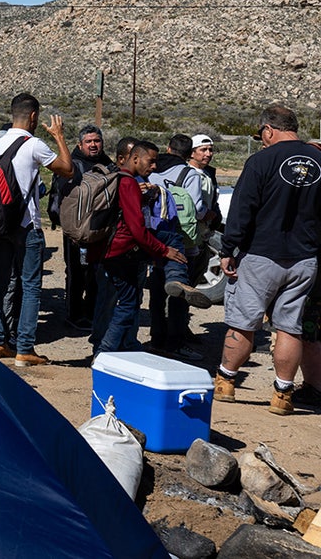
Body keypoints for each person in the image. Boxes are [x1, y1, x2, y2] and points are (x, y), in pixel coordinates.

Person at [214, 104, 321, 415]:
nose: (262, 140)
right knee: (290, 326)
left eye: (262, 134)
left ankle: (226, 382)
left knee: (243, 321)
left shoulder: (261, 160)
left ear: (269, 130)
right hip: (305, 258)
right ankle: (283, 394)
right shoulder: (319, 159)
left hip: (261, 254)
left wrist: (228, 248)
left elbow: (242, 208)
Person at [0, 93, 73, 367]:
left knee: (2, 281)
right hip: (26, 224)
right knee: (30, 286)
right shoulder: (34, 144)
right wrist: (60, 136)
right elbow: (67, 169)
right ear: (33, 116)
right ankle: (25, 348)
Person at [87, 139, 187, 355]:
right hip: (122, 250)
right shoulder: (129, 183)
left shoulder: (116, 179)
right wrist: (163, 250)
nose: (154, 167)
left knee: (125, 301)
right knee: (128, 304)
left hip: (108, 249)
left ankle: (105, 350)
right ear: (135, 158)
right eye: (150, 162)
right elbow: (137, 230)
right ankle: (176, 278)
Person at [147, 134, 212, 360]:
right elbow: (196, 210)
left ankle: (156, 339)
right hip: (184, 241)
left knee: (156, 291)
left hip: (156, 236)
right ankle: (175, 343)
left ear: (168, 148)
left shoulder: (152, 170)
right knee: (180, 294)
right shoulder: (189, 175)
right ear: (188, 154)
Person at [49, 125, 113, 331]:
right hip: (75, 229)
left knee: (97, 272)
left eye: (97, 141)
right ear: (80, 144)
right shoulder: (72, 165)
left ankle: (92, 312)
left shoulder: (107, 164)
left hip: (100, 229)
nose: (94, 145)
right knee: (76, 273)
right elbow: (62, 198)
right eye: (89, 141)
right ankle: (74, 315)